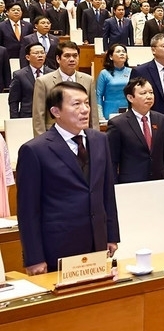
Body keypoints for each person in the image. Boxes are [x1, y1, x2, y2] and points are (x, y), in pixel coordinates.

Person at [16, 81, 120, 274]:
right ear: (56, 111)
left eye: (87, 103)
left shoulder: (100, 140)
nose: (85, 110)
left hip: (96, 242)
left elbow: (107, 192)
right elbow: (28, 211)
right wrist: (34, 257)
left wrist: (111, 235)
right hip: (58, 248)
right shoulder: (34, 150)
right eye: (76, 104)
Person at [107, 77, 164, 183]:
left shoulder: (162, 120)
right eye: (143, 93)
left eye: (151, 92)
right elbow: (112, 161)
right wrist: (114, 187)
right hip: (131, 183)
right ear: (130, 98)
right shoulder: (117, 124)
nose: (149, 96)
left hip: (159, 181)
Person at [32, 41, 98, 137]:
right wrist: (41, 142)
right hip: (54, 135)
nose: (72, 59)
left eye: (75, 56)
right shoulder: (43, 82)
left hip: (81, 134)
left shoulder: (88, 80)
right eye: (67, 56)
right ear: (58, 59)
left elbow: (93, 114)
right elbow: (39, 116)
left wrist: (95, 137)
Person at [9, 43, 52, 118]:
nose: (40, 55)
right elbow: (13, 101)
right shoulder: (19, 75)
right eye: (36, 53)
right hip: (28, 116)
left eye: (42, 52)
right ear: (28, 57)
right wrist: (14, 120)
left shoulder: (52, 73)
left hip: (49, 116)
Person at [95, 43, 131, 120]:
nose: (122, 53)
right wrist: (100, 116)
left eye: (124, 52)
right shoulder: (104, 73)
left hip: (128, 110)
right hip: (110, 111)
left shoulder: (132, 72)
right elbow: (99, 95)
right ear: (111, 57)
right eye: (118, 51)